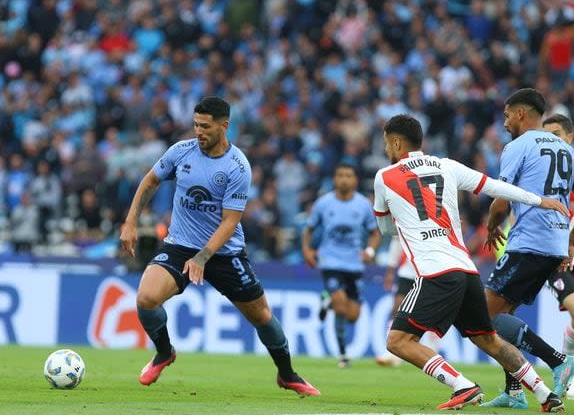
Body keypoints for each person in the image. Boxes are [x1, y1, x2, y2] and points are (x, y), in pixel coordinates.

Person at [119, 96, 319, 396]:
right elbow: (150, 181)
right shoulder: (181, 151)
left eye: (206, 126)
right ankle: (164, 352)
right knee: (146, 298)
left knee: (261, 316)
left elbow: (230, 221)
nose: (199, 131)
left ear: (224, 126)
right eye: (196, 125)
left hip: (224, 252)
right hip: (180, 245)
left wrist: (203, 257)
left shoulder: (238, 166)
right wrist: (131, 221)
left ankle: (287, 374)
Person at [374, 114, 566, 412]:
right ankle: (545, 394)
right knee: (488, 339)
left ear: (396, 142)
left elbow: (385, 230)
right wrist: (538, 200)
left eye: (387, 143)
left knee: (398, 341)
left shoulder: (384, 176)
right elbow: (494, 186)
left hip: (435, 272)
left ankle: (461, 385)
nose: (387, 149)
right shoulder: (447, 165)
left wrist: (399, 219)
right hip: (466, 271)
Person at [483, 89, 574, 409]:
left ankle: (559, 360)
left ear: (520, 113)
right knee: (507, 315)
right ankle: (514, 392)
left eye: (506, 115)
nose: (504, 123)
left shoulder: (518, 146)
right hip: (556, 246)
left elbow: (502, 200)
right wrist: (570, 242)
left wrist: (491, 226)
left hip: (528, 242)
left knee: (484, 318)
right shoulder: (568, 151)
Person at [301, 163, 380, 368]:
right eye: (340, 175)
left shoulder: (363, 205)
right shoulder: (324, 203)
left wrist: (370, 252)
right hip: (330, 261)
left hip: (354, 264)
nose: (344, 179)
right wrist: (307, 251)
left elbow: (374, 232)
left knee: (353, 316)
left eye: (348, 175)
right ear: (335, 179)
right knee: (341, 306)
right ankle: (343, 355)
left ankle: (326, 299)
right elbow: (308, 229)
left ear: (355, 180)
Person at [541, 114, 574, 401]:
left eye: (557, 135)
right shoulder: (540, 170)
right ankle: (565, 370)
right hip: (553, 255)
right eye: (547, 136)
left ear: (570, 137)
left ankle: (568, 374)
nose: (553, 141)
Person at [375, 236, 439, 367]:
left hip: (431, 272)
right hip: (408, 271)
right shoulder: (404, 217)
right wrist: (390, 271)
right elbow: (396, 241)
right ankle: (392, 353)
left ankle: (432, 351)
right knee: (397, 308)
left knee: (431, 313)